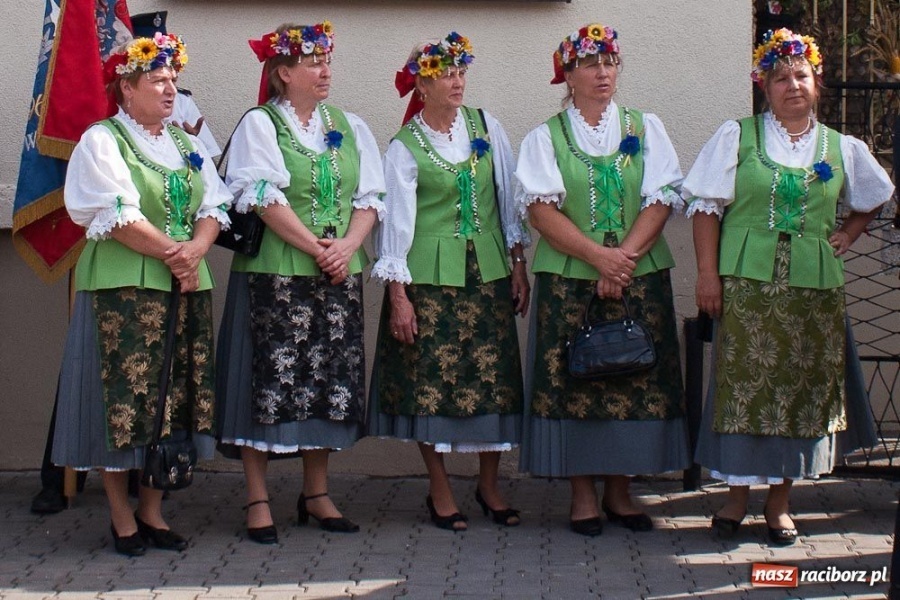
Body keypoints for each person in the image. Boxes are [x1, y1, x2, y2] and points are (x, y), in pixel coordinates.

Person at [684, 28, 893, 546]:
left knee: (800, 392)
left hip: (812, 292)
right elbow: (705, 208)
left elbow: (876, 194)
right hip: (747, 286)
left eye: (801, 76)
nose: (792, 86)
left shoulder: (842, 147)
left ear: (816, 82)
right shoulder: (738, 136)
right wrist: (707, 274)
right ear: (764, 86)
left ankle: (779, 503)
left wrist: (847, 233)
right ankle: (736, 498)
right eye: (780, 78)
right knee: (742, 390)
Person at [30, 9, 223, 515]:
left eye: (173, 79)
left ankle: (152, 512)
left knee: (171, 400)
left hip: (183, 282)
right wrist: (178, 255)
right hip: (125, 287)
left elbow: (214, 205)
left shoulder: (185, 143)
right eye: (158, 80)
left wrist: (196, 250)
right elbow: (118, 217)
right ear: (127, 89)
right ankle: (121, 517)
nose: (170, 89)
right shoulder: (102, 140)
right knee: (123, 398)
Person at [515, 23, 689, 537]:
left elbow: (662, 197)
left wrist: (622, 259)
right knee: (576, 381)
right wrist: (599, 258)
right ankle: (582, 495)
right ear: (568, 76)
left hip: (638, 272)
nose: (603, 72)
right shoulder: (546, 136)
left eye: (610, 62)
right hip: (571, 277)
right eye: (591, 64)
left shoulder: (645, 126)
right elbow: (541, 212)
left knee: (634, 376)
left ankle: (620, 490)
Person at [215, 21, 385, 544]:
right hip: (276, 274)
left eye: (327, 60)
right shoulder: (261, 124)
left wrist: (348, 246)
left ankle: (316, 493)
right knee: (266, 381)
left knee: (328, 383)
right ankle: (257, 497)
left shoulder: (350, 125)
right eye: (313, 62)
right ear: (284, 72)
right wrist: (319, 248)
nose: (325, 70)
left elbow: (370, 197)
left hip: (337, 273)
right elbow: (263, 198)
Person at [369, 32, 530, 532]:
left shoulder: (486, 126)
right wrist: (398, 295)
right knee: (429, 382)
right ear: (422, 85)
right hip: (429, 278)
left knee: (494, 379)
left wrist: (518, 263)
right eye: (446, 74)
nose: (457, 82)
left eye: (461, 72)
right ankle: (439, 488)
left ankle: (489, 484)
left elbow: (506, 197)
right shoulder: (405, 146)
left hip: (487, 272)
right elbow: (394, 224)